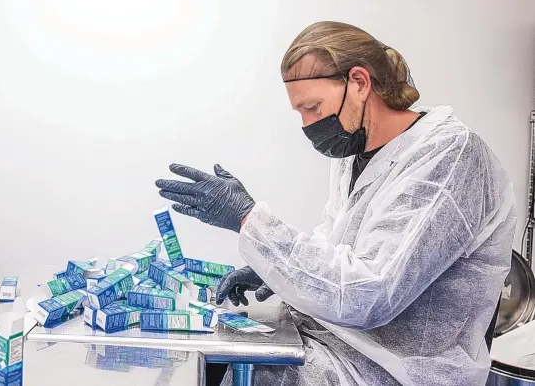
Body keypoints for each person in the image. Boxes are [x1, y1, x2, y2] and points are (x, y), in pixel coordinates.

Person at [155, 21, 517, 385]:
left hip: (395, 372)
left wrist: (250, 219)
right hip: (343, 349)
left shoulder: (450, 156)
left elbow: (370, 294)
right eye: (300, 113)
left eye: (313, 107)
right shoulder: (356, 154)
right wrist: (276, 271)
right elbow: (338, 245)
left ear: (359, 83)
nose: (308, 125)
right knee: (211, 362)